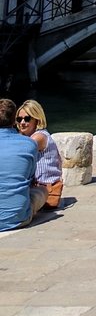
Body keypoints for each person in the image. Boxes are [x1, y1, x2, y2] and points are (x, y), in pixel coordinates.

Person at [0, 97, 45, 231]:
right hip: (15, 218)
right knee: (43, 190)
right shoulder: (29, 144)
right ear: (15, 119)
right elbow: (30, 178)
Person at [15, 101, 63, 209]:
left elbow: (17, 155)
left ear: (37, 120)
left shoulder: (38, 137)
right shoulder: (29, 137)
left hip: (43, 189)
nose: (22, 122)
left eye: (27, 119)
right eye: (19, 119)